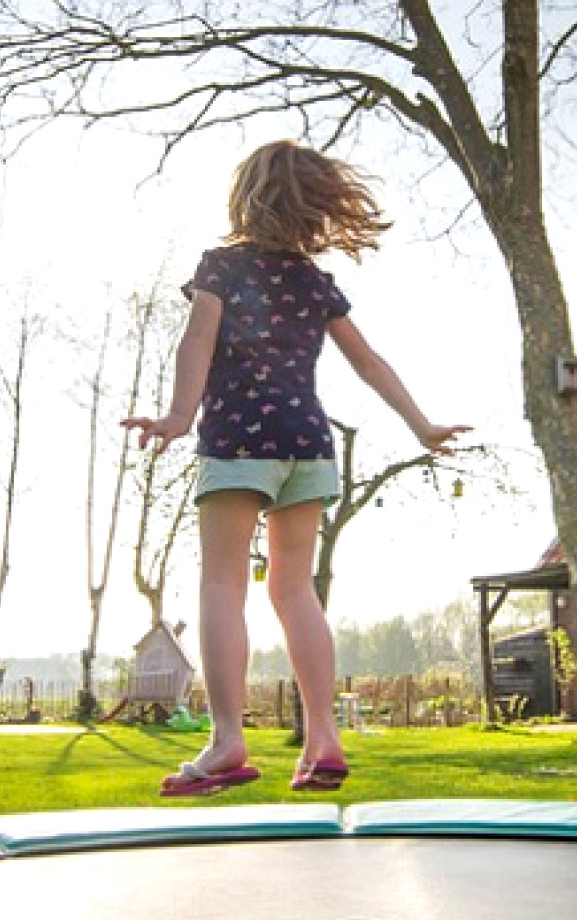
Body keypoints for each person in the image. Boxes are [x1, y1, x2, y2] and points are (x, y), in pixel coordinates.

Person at [123, 140, 469, 797]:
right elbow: (369, 363)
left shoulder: (220, 268)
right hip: (307, 444)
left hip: (238, 441)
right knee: (294, 589)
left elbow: (197, 337)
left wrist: (176, 416)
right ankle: (323, 737)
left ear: (246, 198)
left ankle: (227, 739)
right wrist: (421, 425)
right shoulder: (315, 281)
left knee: (223, 583)